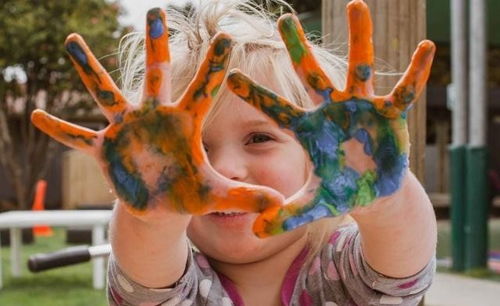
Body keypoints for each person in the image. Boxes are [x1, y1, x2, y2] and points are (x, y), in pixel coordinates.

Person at [32, 0, 437, 305]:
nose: (224, 168)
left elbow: (404, 258)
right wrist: (153, 215)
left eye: (259, 139)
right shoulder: (178, 287)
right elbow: (145, 259)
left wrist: (384, 195)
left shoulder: (345, 268)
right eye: (192, 151)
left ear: (320, 156)